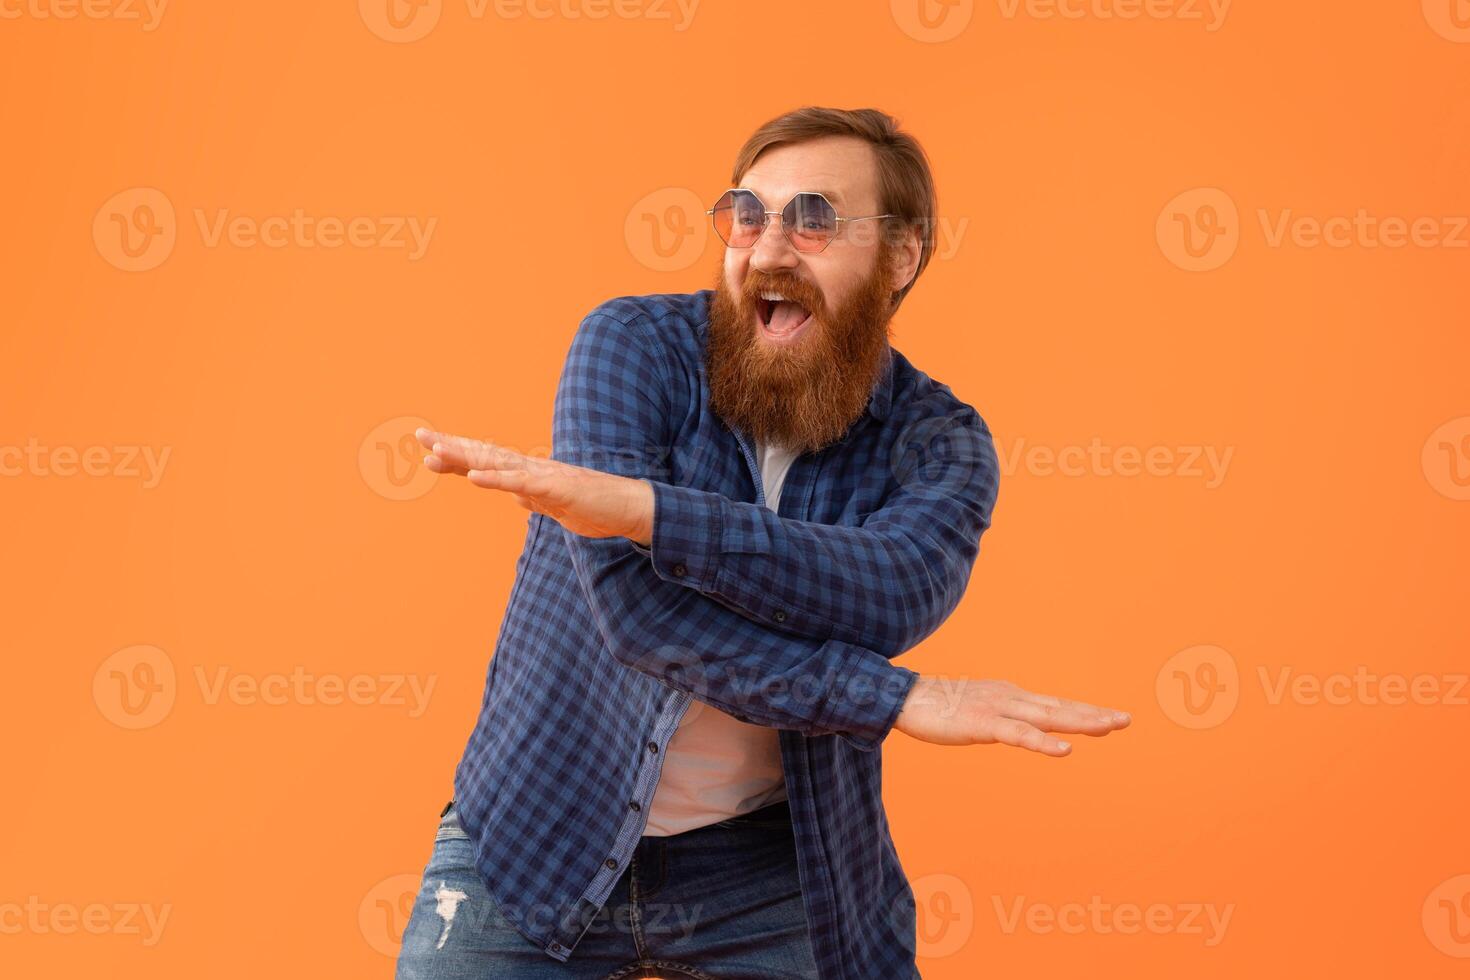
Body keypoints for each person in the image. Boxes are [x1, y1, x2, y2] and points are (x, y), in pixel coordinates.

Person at [396, 106, 1131, 980]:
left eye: (814, 219)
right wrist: (886, 698)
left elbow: (886, 590)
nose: (770, 248)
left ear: (901, 256)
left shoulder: (941, 442)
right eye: (748, 215)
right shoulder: (631, 345)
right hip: (540, 828)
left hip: (769, 865)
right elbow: (639, 618)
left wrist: (648, 515)